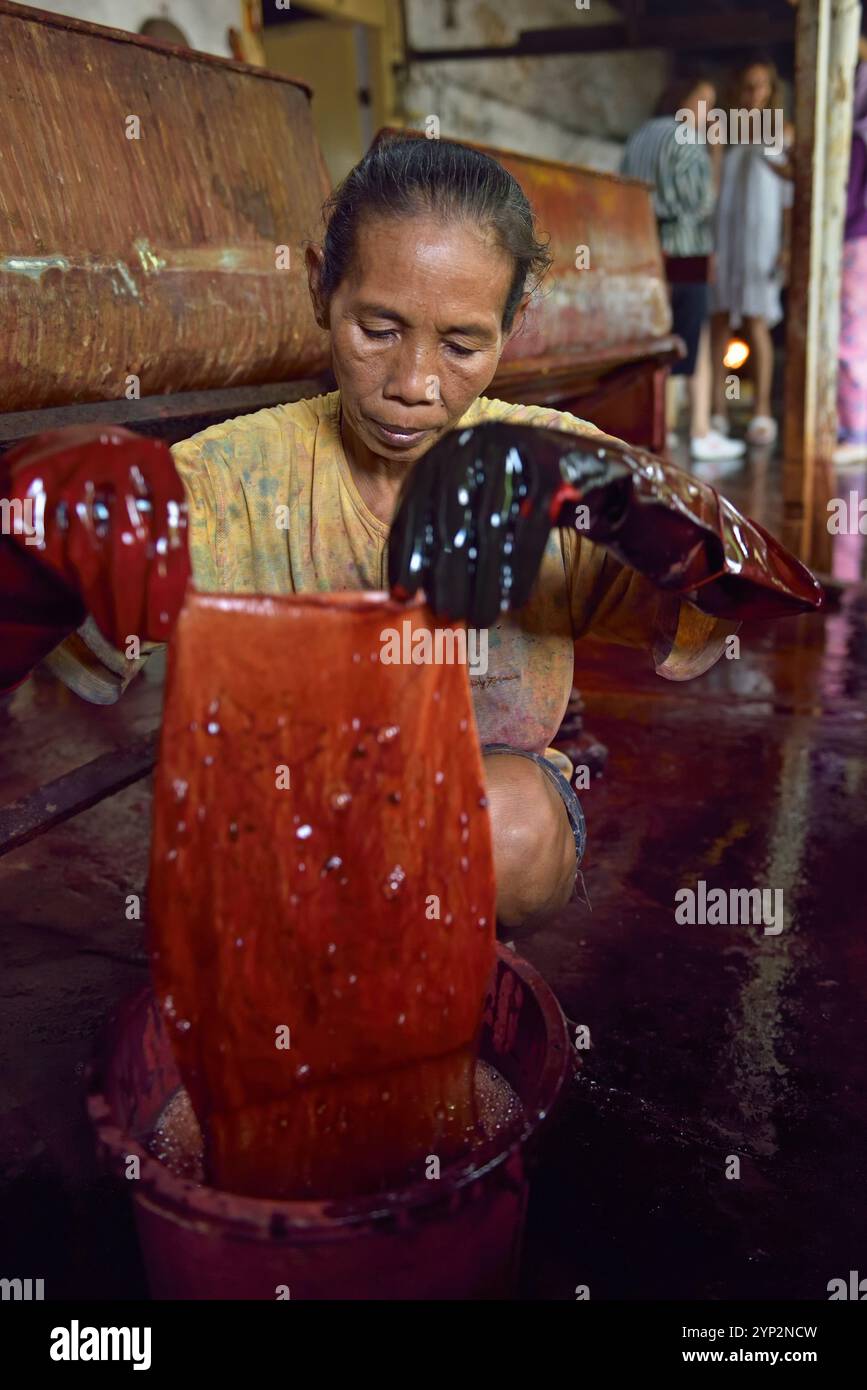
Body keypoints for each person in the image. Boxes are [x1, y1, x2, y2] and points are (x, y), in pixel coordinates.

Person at [1, 137, 788, 928]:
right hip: (284, 808)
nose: (413, 385)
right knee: (226, 894)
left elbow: (739, 601)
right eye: (377, 329)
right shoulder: (229, 477)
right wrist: (31, 548)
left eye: (460, 344)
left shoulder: (554, 462)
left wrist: (642, 514)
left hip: (482, 789)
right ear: (320, 289)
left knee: (509, 835)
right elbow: (65, 663)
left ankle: (424, 962)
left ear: (514, 323)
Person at [621, 75, 745, 464]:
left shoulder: (640, 136)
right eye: (704, 101)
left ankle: (659, 429)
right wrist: (718, 154)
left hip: (642, 250)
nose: (709, 114)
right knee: (694, 338)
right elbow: (704, 201)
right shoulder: (688, 140)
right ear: (681, 98)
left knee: (654, 338)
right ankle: (701, 433)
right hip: (685, 251)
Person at [710, 58, 793, 447]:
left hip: (763, 241)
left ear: (772, 91)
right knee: (721, 322)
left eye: (762, 86)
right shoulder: (727, 137)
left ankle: (761, 412)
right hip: (727, 239)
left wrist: (789, 248)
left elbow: (790, 200)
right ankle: (717, 411)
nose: (754, 93)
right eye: (748, 86)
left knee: (757, 323)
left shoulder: (782, 136)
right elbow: (713, 191)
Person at [835, 20, 867, 467]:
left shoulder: (858, 138)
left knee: (849, 336)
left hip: (855, 239)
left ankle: (855, 430)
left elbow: (845, 198)